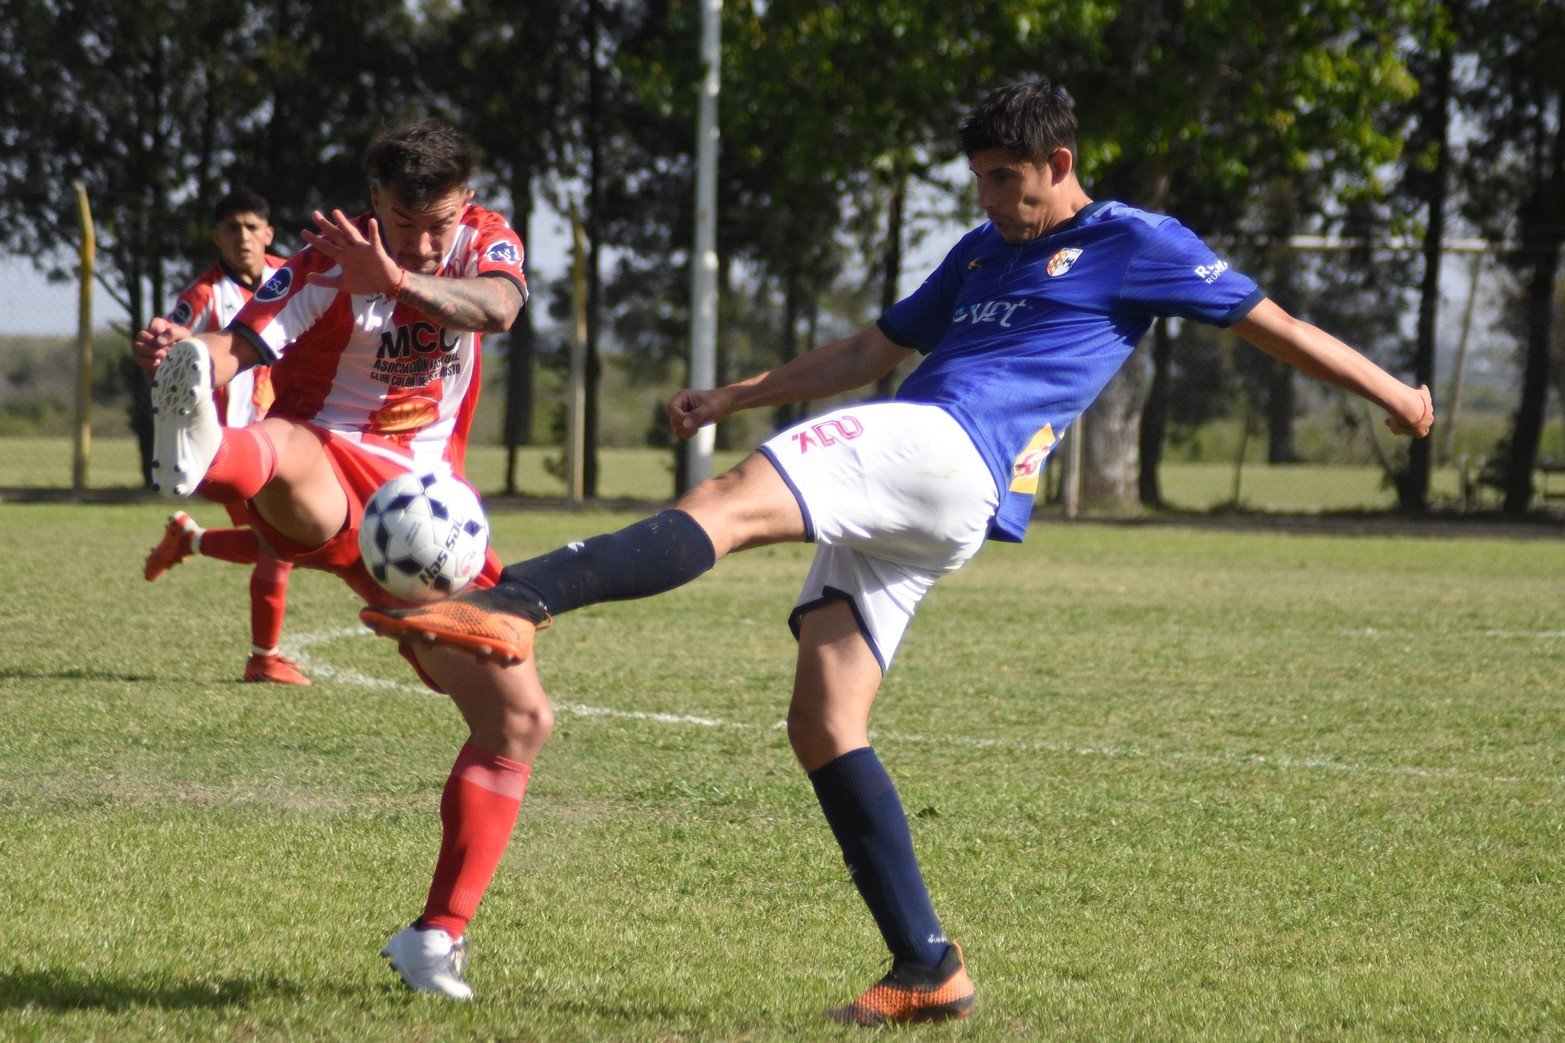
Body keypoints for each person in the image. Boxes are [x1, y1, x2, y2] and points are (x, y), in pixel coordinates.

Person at [365, 81, 1434, 1020]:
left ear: (1057, 165)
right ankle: (926, 965)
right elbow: (876, 345)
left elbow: (1272, 324)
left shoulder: (1135, 240)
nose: (986, 194)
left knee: (733, 500)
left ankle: (512, 600)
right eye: (976, 174)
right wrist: (739, 392)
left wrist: (1397, 396)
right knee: (823, 723)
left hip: (949, 451)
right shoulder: (979, 249)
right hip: (924, 482)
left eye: (1005, 175)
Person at [134, 118, 537, 1000]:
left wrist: (399, 276)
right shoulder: (323, 262)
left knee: (518, 721)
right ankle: (207, 452)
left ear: (465, 205)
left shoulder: (486, 239)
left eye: (439, 224)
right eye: (400, 223)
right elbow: (235, 345)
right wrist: (185, 357)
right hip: (328, 464)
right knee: (282, 445)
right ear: (373, 203)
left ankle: (436, 936)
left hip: (433, 522)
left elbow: (499, 308)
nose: (423, 241)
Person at [142, 187, 310, 684]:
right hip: (233, 442)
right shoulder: (203, 294)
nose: (244, 237)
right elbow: (172, 345)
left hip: (285, 429)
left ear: (269, 234)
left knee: (281, 542)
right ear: (217, 237)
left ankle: (188, 541)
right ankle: (264, 659)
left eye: (253, 227)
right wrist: (160, 347)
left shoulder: (290, 276)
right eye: (232, 228)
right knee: (279, 544)